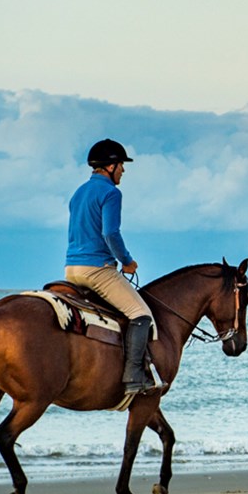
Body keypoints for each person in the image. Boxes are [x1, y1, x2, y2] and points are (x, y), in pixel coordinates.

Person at [65, 138, 163, 396]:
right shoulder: (111, 193)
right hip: (97, 269)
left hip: (71, 269)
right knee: (141, 315)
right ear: (109, 166)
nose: (123, 170)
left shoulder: (78, 193)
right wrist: (127, 261)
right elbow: (110, 233)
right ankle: (134, 376)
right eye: (121, 165)